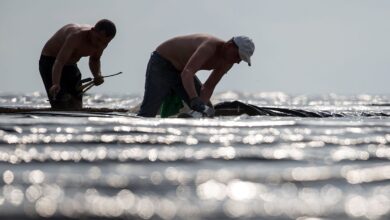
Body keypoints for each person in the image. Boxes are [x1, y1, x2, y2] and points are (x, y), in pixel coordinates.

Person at [137, 34, 255, 117]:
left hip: (182, 71)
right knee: (147, 113)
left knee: (207, 113)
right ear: (229, 45)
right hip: (162, 63)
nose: (238, 61)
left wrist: (200, 107)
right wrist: (194, 99)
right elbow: (188, 73)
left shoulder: (228, 62)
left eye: (241, 59)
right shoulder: (209, 46)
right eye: (238, 56)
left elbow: (208, 86)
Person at [39, 19, 116, 110]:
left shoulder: (102, 43)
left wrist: (97, 75)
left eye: (105, 42)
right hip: (51, 62)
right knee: (61, 101)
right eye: (98, 39)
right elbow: (59, 62)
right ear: (92, 31)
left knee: (76, 102)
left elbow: (95, 60)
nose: (99, 45)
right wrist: (55, 83)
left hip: (71, 65)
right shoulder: (75, 36)